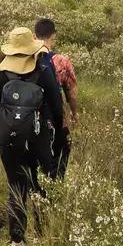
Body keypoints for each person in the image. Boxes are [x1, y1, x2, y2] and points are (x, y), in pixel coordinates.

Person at [0, 27, 63, 246]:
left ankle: (17, 244)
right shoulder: (43, 72)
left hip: (9, 140)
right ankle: (45, 237)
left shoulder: (0, 74)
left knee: (16, 187)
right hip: (39, 139)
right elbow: (57, 110)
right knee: (41, 185)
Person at [34, 18, 78, 179]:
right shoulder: (61, 61)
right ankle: (54, 190)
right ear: (53, 36)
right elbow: (71, 93)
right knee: (60, 155)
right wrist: (74, 112)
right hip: (54, 119)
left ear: (34, 36)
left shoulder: (25, 59)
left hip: (28, 119)